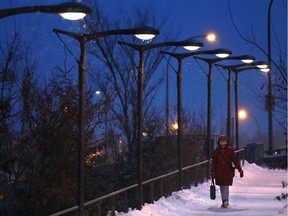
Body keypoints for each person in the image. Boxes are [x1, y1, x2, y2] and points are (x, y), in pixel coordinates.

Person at [210, 135, 244, 208]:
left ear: (227, 142)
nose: (223, 144)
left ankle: (225, 201)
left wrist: (240, 170)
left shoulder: (228, 151)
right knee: (222, 186)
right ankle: (224, 201)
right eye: (221, 142)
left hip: (226, 171)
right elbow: (213, 163)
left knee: (225, 186)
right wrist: (212, 172)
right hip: (220, 172)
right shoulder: (217, 152)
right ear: (219, 143)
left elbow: (235, 161)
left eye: (224, 142)